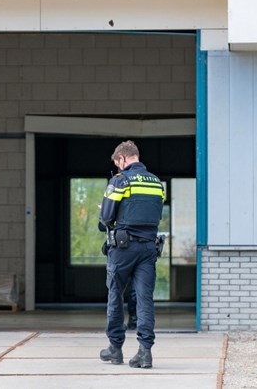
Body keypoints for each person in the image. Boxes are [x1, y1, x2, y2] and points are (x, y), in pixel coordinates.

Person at [98, 140, 164, 368]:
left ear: (123, 159)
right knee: (145, 298)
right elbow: (154, 214)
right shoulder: (157, 182)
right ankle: (145, 352)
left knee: (115, 294)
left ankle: (115, 349)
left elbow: (106, 218)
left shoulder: (120, 180)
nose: (118, 167)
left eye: (118, 163)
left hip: (123, 249)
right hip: (148, 248)